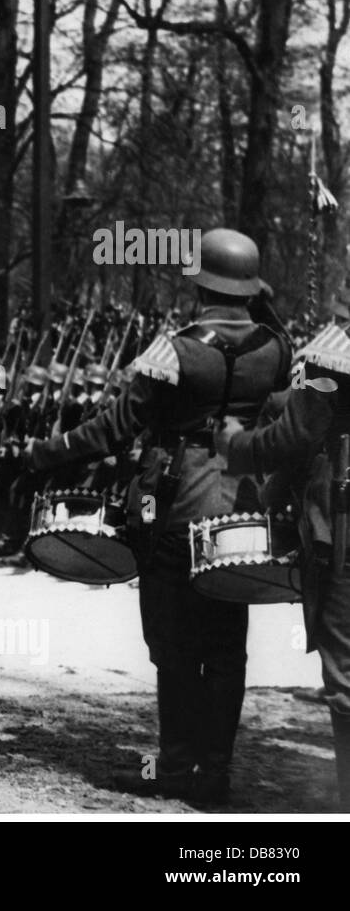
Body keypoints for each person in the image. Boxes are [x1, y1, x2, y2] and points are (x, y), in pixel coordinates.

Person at [26, 228, 290, 804]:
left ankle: (174, 769)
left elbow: (112, 428)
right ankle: (215, 775)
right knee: (226, 648)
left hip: (175, 505)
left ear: (202, 283)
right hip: (241, 506)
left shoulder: (174, 347)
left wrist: (44, 454)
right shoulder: (277, 347)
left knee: (173, 646)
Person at [214, 287, 350, 810]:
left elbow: (295, 433)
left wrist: (235, 446)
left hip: (343, 531)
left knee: (346, 682)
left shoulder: (334, 349)